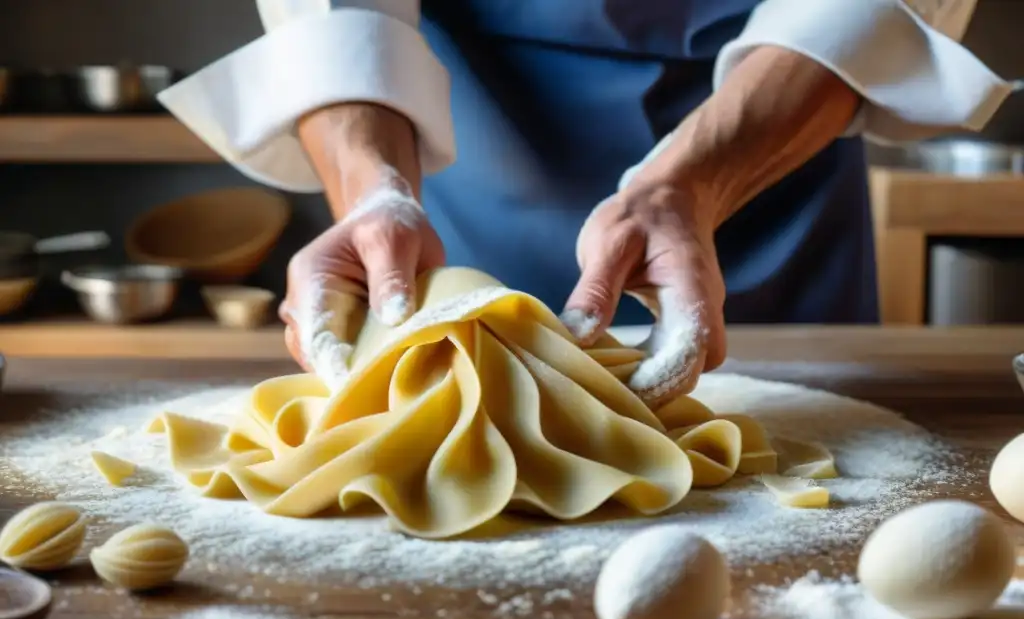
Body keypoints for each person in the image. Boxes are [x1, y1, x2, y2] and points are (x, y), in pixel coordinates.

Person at [160, 0, 1013, 402]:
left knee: (797, 450)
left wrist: (696, 178)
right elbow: (335, 12)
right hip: (472, 135)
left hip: (775, 140)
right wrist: (371, 185)